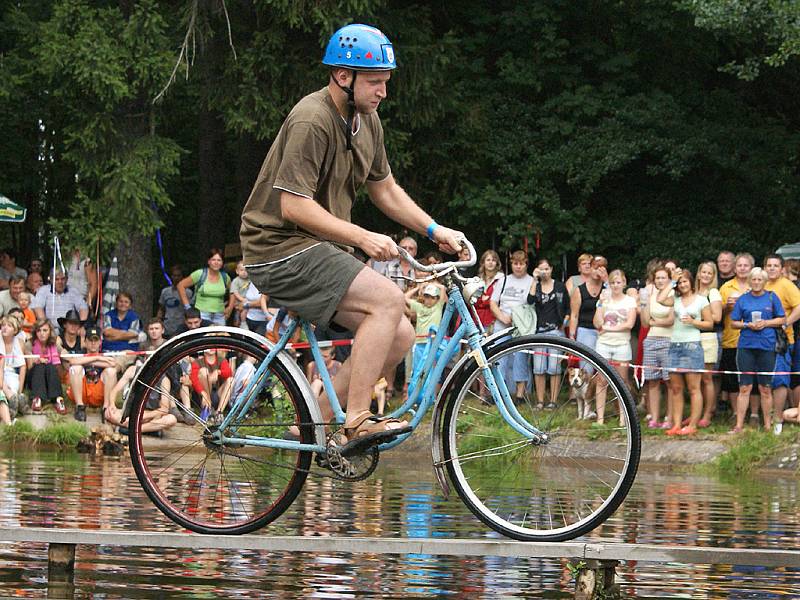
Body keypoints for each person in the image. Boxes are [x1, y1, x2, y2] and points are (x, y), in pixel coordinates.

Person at [239, 23, 462, 452]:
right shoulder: (312, 119)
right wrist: (361, 236)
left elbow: (385, 189)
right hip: (277, 248)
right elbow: (293, 207)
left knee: (397, 334)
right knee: (387, 299)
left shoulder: (367, 122)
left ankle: (313, 423)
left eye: (385, 82)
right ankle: (356, 420)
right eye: (375, 81)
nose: (382, 92)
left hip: (315, 248)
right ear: (344, 77)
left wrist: (436, 230)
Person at [729, 267, 786, 434]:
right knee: (744, 387)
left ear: (765, 281)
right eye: (753, 279)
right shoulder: (743, 299)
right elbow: (733, 322)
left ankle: (768, 426)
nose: (756, 282)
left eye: (759, 279)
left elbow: (782, 319)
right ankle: (739, 425)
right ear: (749, 281)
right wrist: (748, 324)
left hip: (767, 346)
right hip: (746, 346)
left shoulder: (771, 297)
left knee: (765, 388)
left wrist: (765, 323)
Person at [665, 270, 712, 436]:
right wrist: (672, 281)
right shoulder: (676, 300)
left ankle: (692, 424)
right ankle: (677, 424)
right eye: (680, 283)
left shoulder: (701, 300)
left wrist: (693, 321)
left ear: (691, 282)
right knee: (676, 388)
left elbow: (710, 323)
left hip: (692, 344)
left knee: (694, 388)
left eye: (685, 281)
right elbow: (660, 299)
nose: (683, 285)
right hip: (674, 345)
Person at [593, 269, 637, 425]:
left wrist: (609, 328)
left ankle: (623, 417)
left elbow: (629, 324)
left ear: (624, 283)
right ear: (609, 284)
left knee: (623, 381)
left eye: (619, 282)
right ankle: (600, 418)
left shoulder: (630, 301)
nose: (616, 285)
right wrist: (599, 303)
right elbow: (597, 323)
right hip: (603, 343)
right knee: (601, 380)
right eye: (613, 283)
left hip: (622, 344)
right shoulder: (605, 300)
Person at [763, 254, 800, 434]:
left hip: (782, 341)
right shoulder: (761, 283)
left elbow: (799, 306)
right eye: (768, 265)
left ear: (781, 268)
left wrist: (786, 322)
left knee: (779, 380)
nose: (771, 268)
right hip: (762, 341)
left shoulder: (786, 285)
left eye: (775, 265)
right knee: (765, 381)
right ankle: (767, 419)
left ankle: (778, 419)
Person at [491, 250, 533, 402]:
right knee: (498, 359)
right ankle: (500, 393)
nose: (518, 267)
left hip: (521, 326)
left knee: (521, 359)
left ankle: (520, 394)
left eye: (521, 264)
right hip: (502, 324)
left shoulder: (531, 281)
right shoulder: (503, 281)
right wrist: (501, 316)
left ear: (526, 264)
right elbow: (493, 302)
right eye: (515, 263)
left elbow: (532, 304)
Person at [527, 258, 569, 410]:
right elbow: (530, 301)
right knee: (538, 368)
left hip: (555, 331)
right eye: (541, 269)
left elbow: (567, 307)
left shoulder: (559, 286)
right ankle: (539, 401)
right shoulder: (536, 286)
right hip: (538, 331)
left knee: (554, 368)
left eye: (547, 268)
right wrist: (534, 279)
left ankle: (553, 401)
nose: (544, 271)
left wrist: (564, 323)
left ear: (551, 269)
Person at [720, 253, 755, 419]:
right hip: (731, 339)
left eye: (745, 265)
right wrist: (727, 307)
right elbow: (717, 315)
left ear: (751, 268)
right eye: (739, 265)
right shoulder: (726, 287)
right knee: (732, 380)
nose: (742, 268)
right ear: (734, 268)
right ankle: (736, 413)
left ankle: (754, 414)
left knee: (753, 380)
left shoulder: (757, 284)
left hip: (754, 339)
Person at [641, 265, 675, 428]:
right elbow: (645, 322)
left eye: (663, 278)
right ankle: (654, 418)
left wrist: (656, 321)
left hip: (669, 340)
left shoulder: (673, 294)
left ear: (669, 279)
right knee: (652, 380)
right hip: (651, 339)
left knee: (669, 381)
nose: (660, 281)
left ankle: (669, 417)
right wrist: (646, 302)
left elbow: (671, 320)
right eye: (658, 278)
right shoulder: (650, 294)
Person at [105, 361, 177, 436]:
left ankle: (134, 430)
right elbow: (115, 390)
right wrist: (112, 404)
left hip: (150, 416)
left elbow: (164, 409)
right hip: (130, 413)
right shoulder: (133, 370)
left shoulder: (164, 380)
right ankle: (149, 430)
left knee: (171, 420)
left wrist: (142, 416)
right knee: (108, 413)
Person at [63, 325, 117, 422]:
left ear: (100, 342)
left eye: (95, 340)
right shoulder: (80, 353)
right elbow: (72, 362)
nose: (93, 343)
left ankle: (106, 408)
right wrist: (97, 358)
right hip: (82, 390)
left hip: (98, 391)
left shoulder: (104, 353)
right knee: (75, 368)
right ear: (85, 342)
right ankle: (80, 407)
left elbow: (113, 363)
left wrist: (89, 360)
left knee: (111, 371)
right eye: (90, 340)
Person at [695, 261, 723, 426]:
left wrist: (697, 318)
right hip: (692, 337)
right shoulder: (693, 292)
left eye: (709, 273)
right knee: (694, 379)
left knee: (707, 378)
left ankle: (707, 414)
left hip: (708, 337)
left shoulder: (713, 293)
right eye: (703, 272)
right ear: (698, 274)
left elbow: (717, 317)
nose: (705, 275)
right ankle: (696, 414)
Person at [177, 249, 232, 326]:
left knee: (220, 336)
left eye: (219, 260)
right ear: (208, 261)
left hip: (219, 314)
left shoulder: (225, 277)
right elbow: (180, 285)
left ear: (222, 263)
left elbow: (233, 292)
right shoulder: (200, 274)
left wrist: (230, 306)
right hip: (202, 314)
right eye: (213, 260)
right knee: (204, 336)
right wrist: (187, 306)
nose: (216, 262)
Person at [31, 269, 89, 334]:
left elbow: (83, 308)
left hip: (70, 329)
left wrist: (81, 326)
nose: (60, 282)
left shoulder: (73, 291)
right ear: (51, 280)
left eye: (63, 279)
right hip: (50, 329)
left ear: (67, 279)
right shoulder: (44, 290)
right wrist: (47, 326)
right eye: (57, 279)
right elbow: (38, 308)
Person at [27, 319, 65, 414]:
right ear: (35, 332)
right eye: (39, 330)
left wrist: (59, 356)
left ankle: (57, 399)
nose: (42, 333)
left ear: (50, 332)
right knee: (40, 366)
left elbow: (66, 356)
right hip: (34, 377)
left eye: (45, 330)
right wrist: (37, 360)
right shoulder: (29, 344)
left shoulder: (55, 344)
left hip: (50, 376)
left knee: (50, 366)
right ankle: (37, 399)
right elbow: (29, 366)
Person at [102, 292, 142, 369]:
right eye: (121, 301)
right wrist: (125, 333)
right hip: (108, 350)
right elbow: (107, 332)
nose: (123, 304)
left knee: (113, 367)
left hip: (128, 350)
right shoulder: (108, 315)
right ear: (116, 303)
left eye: (126, 302)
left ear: (130, 305)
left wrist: (113, 337)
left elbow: (133, 334)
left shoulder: (134, 317)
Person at [1, 315, 27, 417]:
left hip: (11, 374)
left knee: (13, 387)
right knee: (6, 390)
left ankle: (16, 399)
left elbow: (23, 366)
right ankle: (12, 398)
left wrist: (20, 390)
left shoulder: (16, 341)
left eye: (9, 325)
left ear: (15, 330)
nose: (4, 327)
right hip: (0, 373)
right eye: (3, 325)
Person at [473, 250, 504, 335]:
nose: (490, 263)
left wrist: (485, 300)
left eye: (493, 260)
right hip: (477, 320)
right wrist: (484, 300)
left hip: (492, 321)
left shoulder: (501, 279)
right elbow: (473, 301)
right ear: (483, 262)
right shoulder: (478, 280)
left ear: (497, 263)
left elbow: (498, 301)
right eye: (488, 260)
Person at [157, 265, 192, 337]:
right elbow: (161, 308)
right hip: (168, 326)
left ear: (182, 277)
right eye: (174, 275)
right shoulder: (165, 291)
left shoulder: (188, 292)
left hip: (182, 326)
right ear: (171, 276)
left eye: (178, 275)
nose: (176, 278)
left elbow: (190, 310)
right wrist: (158, 320)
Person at [230, 261, 251, 327]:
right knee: (237, 317)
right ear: (237, 271)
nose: (244, 272)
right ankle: (238, 324)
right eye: (241, 270)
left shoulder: (250, 280)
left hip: (248, 303)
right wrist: (242, 300)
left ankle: (243, 323)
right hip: (238, 303)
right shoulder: (236, 281)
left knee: (246, 314)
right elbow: (235, 292)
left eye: (246, 270)